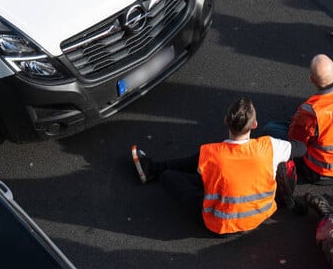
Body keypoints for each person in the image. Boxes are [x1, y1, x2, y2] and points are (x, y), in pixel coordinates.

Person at [130, 97, 307, 235]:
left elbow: (196, 170)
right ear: (254, 125)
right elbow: (301, 148)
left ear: (225, 121)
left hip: (220, 225)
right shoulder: (269, 146)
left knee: (169, 177)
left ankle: (153, 170)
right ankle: (153, 169)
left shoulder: (212, 153)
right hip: (260, 215)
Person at [263, 54, 333, 185]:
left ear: (312, 80)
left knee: (271, 128)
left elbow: (297, 142)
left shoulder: (311, 111)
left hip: (324, 173)